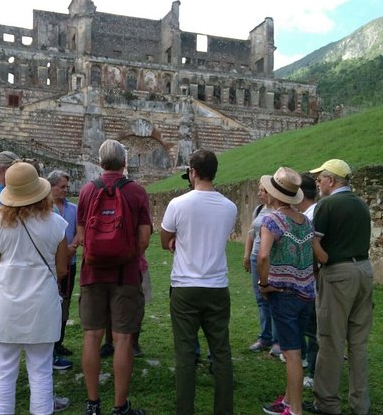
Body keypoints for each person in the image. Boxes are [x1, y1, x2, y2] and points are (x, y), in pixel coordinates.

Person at [0, 162, 70, 415]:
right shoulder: (56, 224)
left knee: (3, 373)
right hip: (42, 303)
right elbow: (63, 268)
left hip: (5, 302)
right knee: (41, 371)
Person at [76, 139, 151, 415]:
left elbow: (82, 235)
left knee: (92, 337)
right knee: (122, 339)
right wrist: (124, 253)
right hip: (125, 274)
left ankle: (92, 404)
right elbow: (144, 238)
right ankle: (120, 407)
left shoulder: (86, 191)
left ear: (100, 162)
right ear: (124, 162)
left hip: (92, 272)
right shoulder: (136, 192)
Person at [160, 148, 237, 415]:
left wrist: (175, 240)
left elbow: (164, 240)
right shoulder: (230, 207)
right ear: (214, 173)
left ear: (192, 172)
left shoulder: (178, 204)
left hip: (185, 286)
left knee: (184, 354)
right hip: (216, 285)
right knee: (221, 351)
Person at [304, 160, 372, 415]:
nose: (318, 183)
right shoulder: (360, 204)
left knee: (331, 340)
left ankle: (327, 402)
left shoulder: (327, 204)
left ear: (331, 181)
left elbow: (317, 248)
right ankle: (360, 404)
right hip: (364, 270)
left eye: (320, 178)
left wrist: (317, 264)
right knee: (358, 342)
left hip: (338, 274)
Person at [257, 167, 315, 415]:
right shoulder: (305, 220)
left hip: (283, 293)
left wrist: (263, 283)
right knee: (297, 348)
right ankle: (289, 400)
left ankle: (295, 410)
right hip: (306, 293)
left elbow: (263, 256)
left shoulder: (272, 220)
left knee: (291, 354)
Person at [243, 179, 279, 355]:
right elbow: (251, 233)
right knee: (260, 299)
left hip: (271, 259)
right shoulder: (259, 210)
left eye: (262, 191)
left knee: (273, 299)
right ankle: (265, 337)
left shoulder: (279, 211)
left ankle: (277, 340)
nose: (259, 194)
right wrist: (247, 255)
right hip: (256, 257)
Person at [48, 169, 78, 370]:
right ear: (51, 187)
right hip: (49, 264)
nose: (66, 190)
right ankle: (48, 346)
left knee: (65, 302)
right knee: (50, 303)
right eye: (62, 187)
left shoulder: (73, 209)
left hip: (70, 261)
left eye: (67, 187)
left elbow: (79, 231)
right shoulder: (44, 209)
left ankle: (58, 343)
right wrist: (61, 252)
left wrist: (71, 248)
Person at [295, 173, 319, 389]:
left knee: (314, 331)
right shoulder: (311, 212)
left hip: (311, 282)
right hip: (309, 281)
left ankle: (313, 373)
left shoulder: (309, 217)